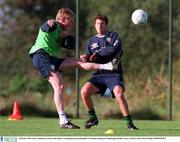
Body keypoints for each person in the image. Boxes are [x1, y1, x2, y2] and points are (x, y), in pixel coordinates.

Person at [29, 8, 117, 129]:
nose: (72, 23)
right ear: (62, 19)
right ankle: (63, 120)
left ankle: (108, 66)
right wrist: (51, 24)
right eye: (70, 20)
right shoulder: (53, 25)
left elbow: (70, 44)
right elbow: (46, 27)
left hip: (51, 58)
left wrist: (67, 36)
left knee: (79, 62)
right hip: (41, 55)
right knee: (59, 86)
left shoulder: (62, 31)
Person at [80, 14, 139, 130]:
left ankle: (129, 123)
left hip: (113, 73)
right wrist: (85, 58)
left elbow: (113, 50)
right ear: (94, 25)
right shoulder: (91, 41)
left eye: (102, 23)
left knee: (119, 94)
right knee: (84, 91)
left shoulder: (114, 35)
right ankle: (93, 118)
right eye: (97, 23)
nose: (99, 26)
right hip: (99, 74)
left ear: (106, 25)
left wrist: (97, 54)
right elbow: (89, 57)